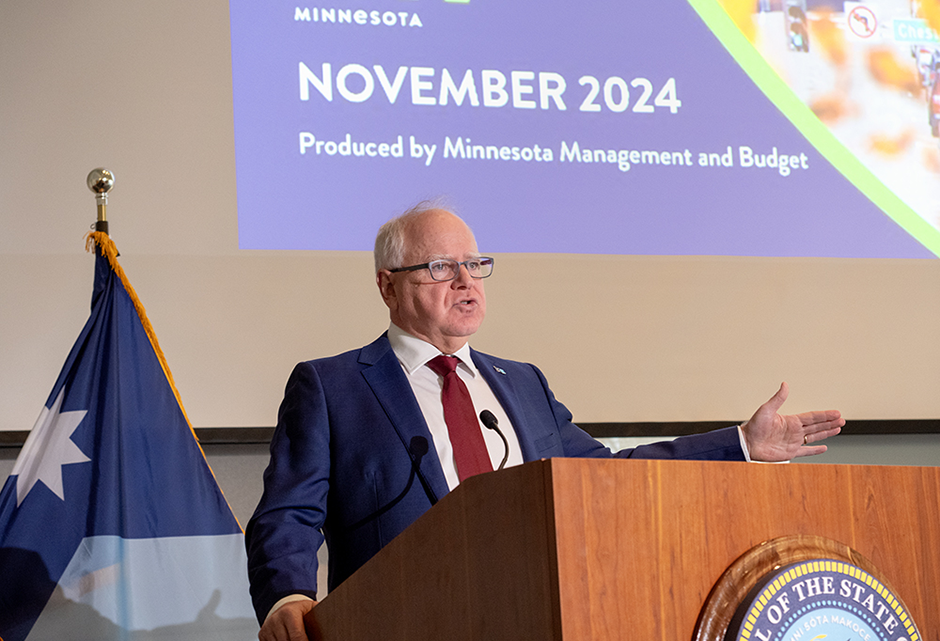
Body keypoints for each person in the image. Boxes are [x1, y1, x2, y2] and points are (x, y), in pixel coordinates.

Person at [245, 203, 844, 641]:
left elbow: (607, 477)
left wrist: (740, 444)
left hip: (534, 614)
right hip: (404, 621)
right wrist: (287, 597)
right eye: (440, 267)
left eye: (475, 265)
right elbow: (288, 513)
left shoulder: (521, 383)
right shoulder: (334, 386)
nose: (465, 282)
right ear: (387, 285)